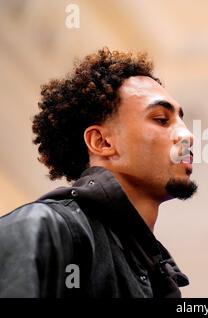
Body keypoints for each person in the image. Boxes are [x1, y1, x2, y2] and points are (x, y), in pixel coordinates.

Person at [0, 47, 197, 297]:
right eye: (161, 119)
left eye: (181, 120)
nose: (187, 135)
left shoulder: (162, 281)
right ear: (102, 142)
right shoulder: (41, 228)